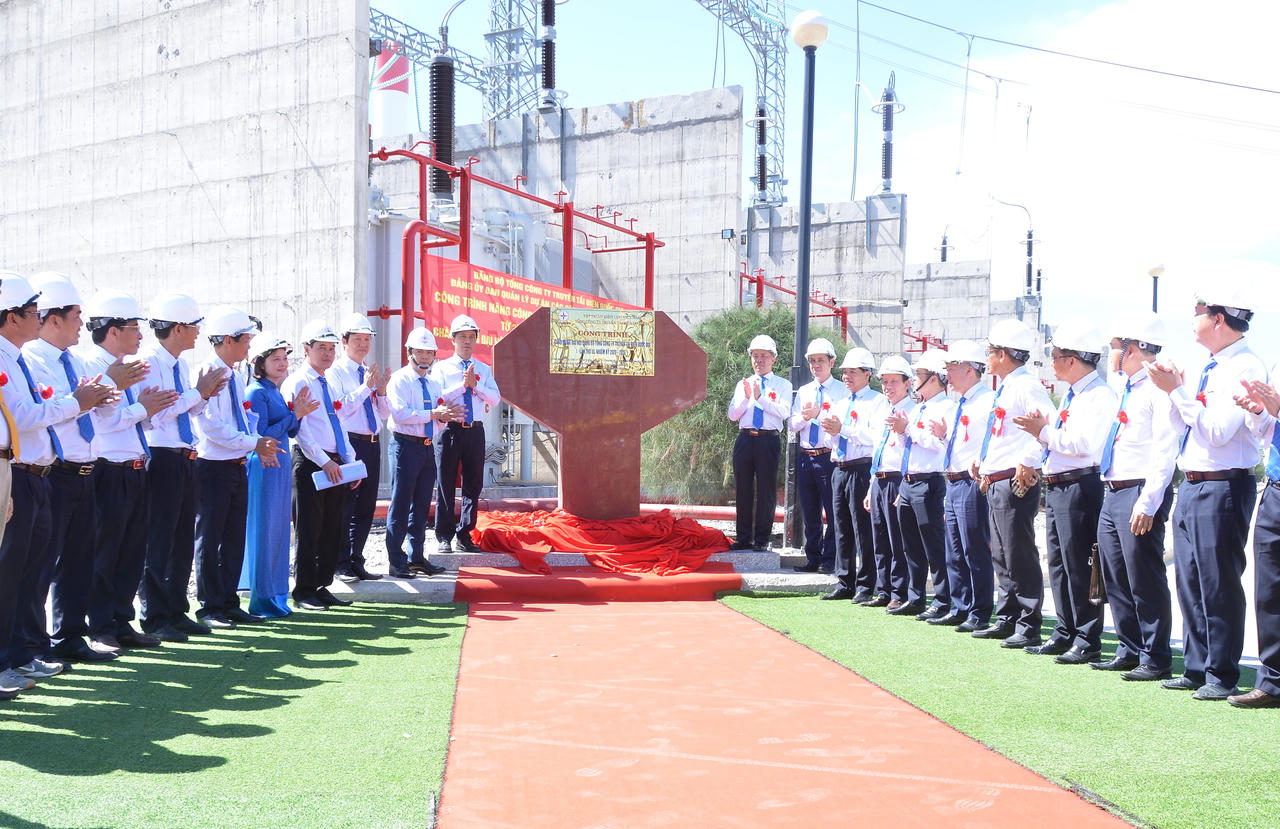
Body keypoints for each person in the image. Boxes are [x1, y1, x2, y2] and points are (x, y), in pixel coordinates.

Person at [1147, 283, 1267, 701]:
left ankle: (1222, 672)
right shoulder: (1207, 364)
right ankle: (1197, 667)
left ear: (1218, 318)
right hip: (1193, 483)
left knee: (1218, 582)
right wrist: (1173, 392)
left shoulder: (1246, 367)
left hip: (1223, 484)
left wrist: (1176, 392)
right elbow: (1182, 424)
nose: (1192, 320)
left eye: (1198, 311)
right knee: (1190, 580)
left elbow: (1217, 432)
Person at [22, 274, 118, 665]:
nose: (82, 324)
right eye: (76, 315)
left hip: (86, 469)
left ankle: (70, 635)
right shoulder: (31, 359)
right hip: (56, 470)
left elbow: (95, 406)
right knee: (41, 563)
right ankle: (31, 642)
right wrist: (83, 399)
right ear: (54, 319)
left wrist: (104, 393)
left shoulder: (75, 360)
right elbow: (49, 413)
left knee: (79, 558)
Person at [80, 291, 178, 654]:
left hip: (136, 466)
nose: (141, 336)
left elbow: (134, 419)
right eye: (134, 328)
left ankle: (122, 621)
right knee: (106, 552)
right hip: (109, 469)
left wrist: (149, 410)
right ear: (113, 331)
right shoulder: (95, 367)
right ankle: (101, 626)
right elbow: (104, 425)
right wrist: (142, 410)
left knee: (132, 551)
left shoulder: (129, 367)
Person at [1014, 320, 1116, 664]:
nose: (1052, 362)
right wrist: (1039, 443)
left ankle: (1087, 637)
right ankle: (1065, 630)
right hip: (1059, 485)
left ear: (1073, 359)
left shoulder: (1100, 395)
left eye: (1056, 356)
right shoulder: (1074, 395)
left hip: (1080, 484)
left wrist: (1043, 431)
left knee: (1079, 564)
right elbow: (1056, 442)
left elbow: (1084, 445)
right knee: (1058, 563)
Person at [0, 274, 78, 697]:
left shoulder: (15, 356)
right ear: (12, 318)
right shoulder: (4, 357)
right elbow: (24, 417)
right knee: (10, 574)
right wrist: (74, 404)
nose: (39, 319)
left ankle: (24, 650)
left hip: (38, 474)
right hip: (19, 473)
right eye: (33, 313)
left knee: (32, 573)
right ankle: (6, 659)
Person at [1091, 314, 1177, 681]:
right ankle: (1128, 647)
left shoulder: (1157, 389)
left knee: (1143, 575)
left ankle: (1155, 656)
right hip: (1113, 489)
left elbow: (1164, 449)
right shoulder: (1127, 387)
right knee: (1115, 575)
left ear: (1135, 348)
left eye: (1117, 346)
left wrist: (1149, 501)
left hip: (1139, 490)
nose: (1112, 354)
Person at [139, 293, 229, 642]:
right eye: (193, 327)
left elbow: (182, 409)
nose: (197, 334)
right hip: (162, 456)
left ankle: (176, 610)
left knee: (180, 539)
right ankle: (155, 615)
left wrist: (201, 395)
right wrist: (198, 393)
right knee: (159, 540)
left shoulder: (178, 364)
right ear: (177, 328)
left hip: (183, 455)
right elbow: (158, 412)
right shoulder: (150, 362)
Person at [192, 307, 278, 630]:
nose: (248, 348)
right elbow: (212, 427)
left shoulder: (234, 375)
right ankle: (209, 605)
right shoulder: (208, 371)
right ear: (228, 340)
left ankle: (228, 601)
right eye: (246, 341)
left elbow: (241, 419)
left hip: (235, 464)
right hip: (213, 466)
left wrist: (253, 440)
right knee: (210, 537)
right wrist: (253, 443)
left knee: (232, 537)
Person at [972, 318, 1054, 649]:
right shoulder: (1007, 386)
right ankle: (1008, 617)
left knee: (1018, 552)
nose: (988, 357)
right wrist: (985, 465)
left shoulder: (1026, 386)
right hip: (998, 478)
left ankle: (1028, 621)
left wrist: (1029, 461)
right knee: (1002, 554)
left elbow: (1046, 426)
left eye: (991, 351)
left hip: (1014, 480)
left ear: (1004, 354)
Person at [282, 320, 358, 611]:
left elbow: (337, 421)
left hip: (334, 461)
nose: (327, 354)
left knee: (331, 527)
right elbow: (300, 429)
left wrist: (348, 460)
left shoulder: (330, 382)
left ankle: (321, 585)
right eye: (321, 348)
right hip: (311, 462)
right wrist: (324, 461)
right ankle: (303, 591)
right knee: (309, 528)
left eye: (331, 348)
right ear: (306, 349)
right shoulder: (298, 381)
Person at [240, 333, 317, 617]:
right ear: (260, 363)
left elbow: (290, 430)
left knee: (280, 531)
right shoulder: (256, 392)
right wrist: (294, 413)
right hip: (265, 466)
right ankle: (261, 598)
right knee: (265, 529)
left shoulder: (275, 390)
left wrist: (298, 414)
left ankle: (276, 595)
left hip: (280, 465)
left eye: (285, 358)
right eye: (276, 359)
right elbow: (262, 436)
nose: (283, 363)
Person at [386, 328, 463, 578]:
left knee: (421, 505)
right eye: (420, 351)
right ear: (409, 353)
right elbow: (400, 414)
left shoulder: (432, 382)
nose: (425, 357)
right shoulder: (400, 379)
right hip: (405, 445)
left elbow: (437, 416)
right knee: (400, 504)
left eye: (429, 352)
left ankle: (415, 557)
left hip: (428, 446)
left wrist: (442, 419)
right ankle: (396, 560)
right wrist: (433, 415)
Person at [940, 341, 997, 632]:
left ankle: (981, 610)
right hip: (952, 481)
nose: (946, 374)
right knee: (953, 549)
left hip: (971, 481)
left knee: (974, 548)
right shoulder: (956, 404)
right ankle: (960, 606)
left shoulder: (988, 401)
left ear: (969, 369)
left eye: (951, 368)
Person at [895, 349, 956, 620]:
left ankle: (943, 600)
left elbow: (937, 446)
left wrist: (907, 428)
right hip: (909, 481)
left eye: (919, 374)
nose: (916, 378)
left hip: (928, 482)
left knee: (933, 544)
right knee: (911, 544)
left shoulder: (946, 408)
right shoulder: (920, 406)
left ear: (934, 378)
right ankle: (915, 596)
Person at [820, 347, 884, 602]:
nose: (846, 377)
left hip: (860, 468)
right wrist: (832, 430)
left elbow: (874, 438)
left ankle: (866, 584)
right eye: (845, 372)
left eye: (852, 372)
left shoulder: (877, 402)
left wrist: (843, 429)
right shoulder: (841, 402)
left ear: (867, 374)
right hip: (839, 468)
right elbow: (829, 439)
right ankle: (844, 581)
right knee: (841, 526)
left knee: (862, 528)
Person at [434, 314, 501, 555]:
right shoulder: (441, 368)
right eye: (462, 337)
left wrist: (476, 386)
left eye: (471, 337)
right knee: (446, 484)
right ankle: (444, 536)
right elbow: (437, 398)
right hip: (450, 430)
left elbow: (495, 399)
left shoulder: (483, 368)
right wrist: (462, 386)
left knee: (473, 485)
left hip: (475, 431)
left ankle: (465, 534)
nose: (467, 342)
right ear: (452, 340)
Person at [331, 312, 390, 583]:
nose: (363, 345)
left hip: (372, 443)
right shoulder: (336, 372)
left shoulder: (367, 372)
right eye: (357, 339)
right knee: (346, 505)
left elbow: (383, 415)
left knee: (366, 507)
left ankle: (357, 559)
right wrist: (366, 388)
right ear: (344, 341)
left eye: (367, 340)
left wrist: (381, 391)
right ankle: (340, 561)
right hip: (350, 442)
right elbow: (339, 411)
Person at [1233, 374, 1280, 707]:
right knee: (1269, 593)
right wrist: (1262, 414)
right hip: (1276, 490)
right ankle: (1273, 682)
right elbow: (1269, 433)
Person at [788, 338, 848, 573]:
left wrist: (820, 412)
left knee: (833, 510)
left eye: (821, 360)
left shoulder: (842, 391)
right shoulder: (804, 391)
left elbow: (842, 421)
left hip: (828, 455)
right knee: (809, 509)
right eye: (812, 361)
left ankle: (830, 558)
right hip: (806, 455)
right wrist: (805, 417)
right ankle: (812, 556)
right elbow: (792, 423)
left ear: (831, 362)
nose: (816, 365)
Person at [727, 334, 791, 553]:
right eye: (755, 356)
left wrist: (761, 397)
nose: (759, 360)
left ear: (773, 359)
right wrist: (746, 398)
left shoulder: (782, 384)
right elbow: (733, 415)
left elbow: (784, 411)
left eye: (764, 356)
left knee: (766, 489)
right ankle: (743, 537)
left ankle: (762, 538)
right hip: (745, 438)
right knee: (743, 489)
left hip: (768, 439)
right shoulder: (743, 384)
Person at [864, 355, 913, 609]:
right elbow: (877, 449)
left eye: (894, 381)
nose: (888, 386)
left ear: (907, 383)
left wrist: (904, 485)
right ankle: (883, 590)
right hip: (879, 478)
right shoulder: (882, 409)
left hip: (897, 479)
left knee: (897, 540)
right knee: (880, 538)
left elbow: (912, 453)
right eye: (884, 381)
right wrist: (871, 484)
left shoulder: (913, 412)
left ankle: (899, 592)